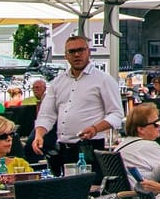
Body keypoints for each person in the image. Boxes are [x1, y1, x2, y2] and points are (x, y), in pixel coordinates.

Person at [32, 36, 123, 174]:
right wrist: (39, 134)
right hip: (63, 147)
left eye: (81, 50)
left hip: (90, 147)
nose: (77, 54)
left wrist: (95, 128)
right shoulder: (58, 82)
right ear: (66, 56)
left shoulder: (103, 80)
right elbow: (47, 115)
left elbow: (116, 115)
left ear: (88, 52)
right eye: (72, 51)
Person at [118, 102, 160, 178]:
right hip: (144, 188)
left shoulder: (121, 146)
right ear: (141, 129)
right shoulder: (147, 146)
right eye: (156, 123)